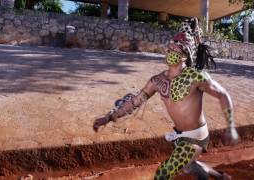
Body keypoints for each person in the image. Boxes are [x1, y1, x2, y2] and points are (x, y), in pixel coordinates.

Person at [93, 18, 239, 180]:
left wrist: (231, 126)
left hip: (196, 137)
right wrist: (108, 117)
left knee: (163, 173)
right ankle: (220, 176)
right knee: (188, 165)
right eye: (169, 48)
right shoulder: (157, 81)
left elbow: (223, 95)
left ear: (184, 55)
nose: (169, 51)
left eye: (175, 49)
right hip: (179, 134)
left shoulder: (196, 77)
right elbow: (134, 102)